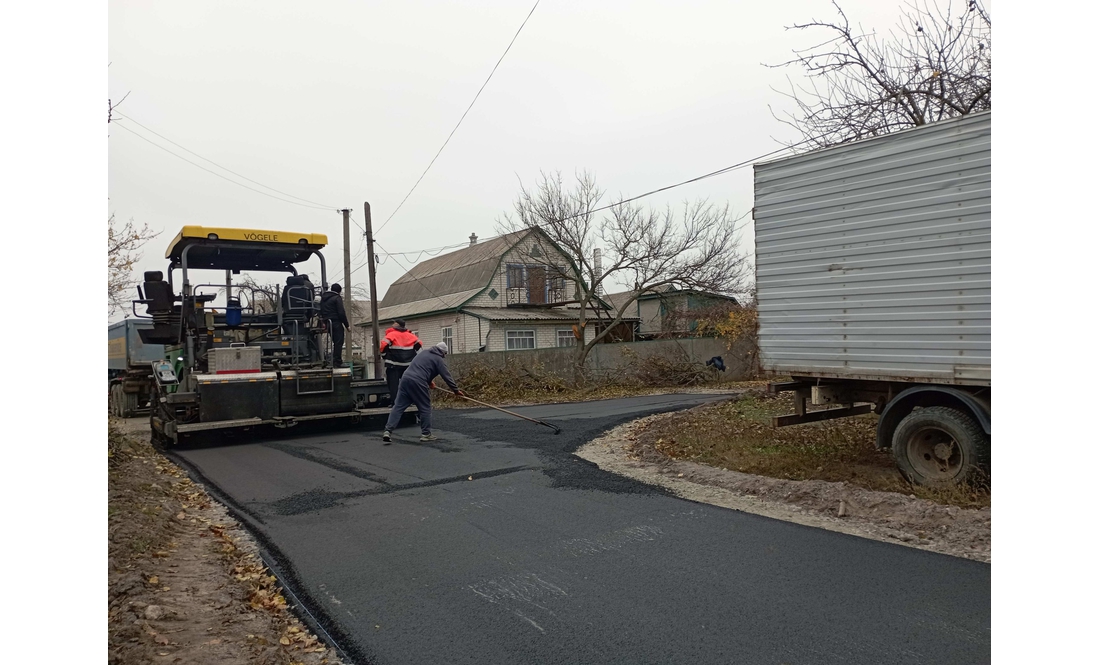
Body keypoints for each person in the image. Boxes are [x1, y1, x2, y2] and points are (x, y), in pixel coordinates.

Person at [382, 342, 464, 443]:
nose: (444, 356)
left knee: (398, 407)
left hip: (405, 379)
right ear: (443, 352)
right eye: (445, 354)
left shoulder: (424, 353)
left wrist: (429, 382)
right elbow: (447, 376)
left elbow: (421, 368)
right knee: (425, 407)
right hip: (418, 382)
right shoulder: (438, 359)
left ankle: (387, 431)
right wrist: (456, 390)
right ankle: (426, 434)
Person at [379, 318, 422, 401]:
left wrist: (385, 356)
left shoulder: (391, 335)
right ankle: (410, 400)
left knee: (393, 385)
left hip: (393, 364)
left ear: (397, 325)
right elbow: (419, 345)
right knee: (409, 384)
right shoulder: (411, 335)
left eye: (394, 323)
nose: (392, 324)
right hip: (408, 364)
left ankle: (395, 402)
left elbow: (383, 346)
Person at [318, 283, 350, 367]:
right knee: (338, 342)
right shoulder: (337, 298)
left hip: (328, 322)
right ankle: (337, 361)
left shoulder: (323, 298)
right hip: (336, 322)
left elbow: (320, 310)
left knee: (334, 341)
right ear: (339, 291)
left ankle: (332, 360)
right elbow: (341, 312)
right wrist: (346, 325)